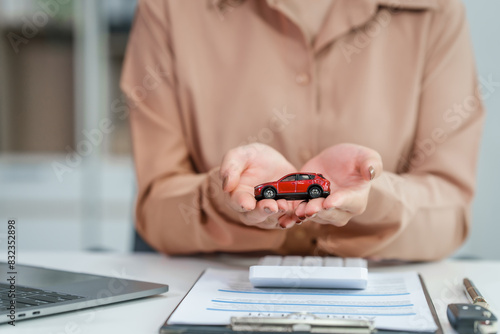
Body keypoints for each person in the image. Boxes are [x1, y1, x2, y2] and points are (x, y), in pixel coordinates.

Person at [120, 0, 484, 260]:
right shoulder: (168, 8)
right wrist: (226, 195)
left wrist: (372, 199)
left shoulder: (437, 12)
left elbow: (450, 216)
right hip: (222, 292)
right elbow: (157, 213)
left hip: (385, 296)